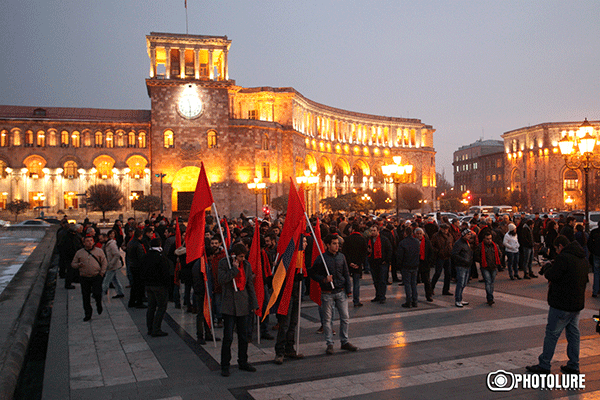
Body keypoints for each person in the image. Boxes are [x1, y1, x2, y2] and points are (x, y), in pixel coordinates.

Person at [526, 235, 589, 374]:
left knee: (552, 334)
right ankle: (574, 364)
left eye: (556, 249)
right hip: (577, 304)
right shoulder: (582, 258)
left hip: (561, 304)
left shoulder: (564, 258)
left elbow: (553, 275)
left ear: (560, 246)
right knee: (573, 334)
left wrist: (547, 268)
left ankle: (544, 364)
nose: (557, 251)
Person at [309, 234, 358, 355]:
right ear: (328, 245)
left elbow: (346, 273)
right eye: (334, 244)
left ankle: (344, 341)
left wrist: (348, 289)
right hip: (327, 293)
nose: (337, 246)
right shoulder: (322, 258)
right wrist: (324, 279)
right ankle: (329, 343)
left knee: (345, 317)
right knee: (327, 320)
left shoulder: (341, 257)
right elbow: (312, 273)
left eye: (338, 244)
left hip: (340, 291)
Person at [218, 243, 259, 377]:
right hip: (229, 305)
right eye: (240, 257)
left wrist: (254, 303)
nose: (242, 259)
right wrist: (233, 270)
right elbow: (221, 279)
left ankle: (243, 361)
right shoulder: (224, 263)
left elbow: (249, 285)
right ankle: (225, 364)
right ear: (234, 255)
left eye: (244, 256)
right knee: (228, 336)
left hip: (243, 304)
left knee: (243, 336)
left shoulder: (246, 265)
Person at [71, 235, 108, 321]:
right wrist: (78, 265)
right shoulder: (79, 253)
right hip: (84, 277)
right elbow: (73, 264)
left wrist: (102, 273)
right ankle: (88, 313)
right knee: (85, 296)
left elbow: (104, 262)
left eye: (91, 241)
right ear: (84, 243)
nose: (89, 242)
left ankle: (99, 304)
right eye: (87, 241)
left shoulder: (99, 251)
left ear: (93, 242)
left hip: (96, 276)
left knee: (97, 293)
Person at [141, 238, 171, 337]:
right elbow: (166, 272)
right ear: (160, 244)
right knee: (161, 307)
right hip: (159, 286)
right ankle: (156, 328)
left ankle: (150, 328)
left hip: (148, 285)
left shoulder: (146, 256)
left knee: (151, 307)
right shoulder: (161, 257)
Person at [341, 223, 368, 307]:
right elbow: (364, 253)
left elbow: (344, 252)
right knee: (356, 283)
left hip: (348, 264)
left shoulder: (348, 239)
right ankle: (356, 300)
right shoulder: (362, 239)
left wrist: (350, 262)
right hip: (358, 264)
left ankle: (343, 299)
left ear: (352, 230)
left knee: (345, 281)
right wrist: (359, 263)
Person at [366, 225, 392, 304]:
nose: (373, 232)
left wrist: (386, 260)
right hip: (373, 262)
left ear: (378, 231)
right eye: (372, 231)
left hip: (382, 263)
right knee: (376, 280)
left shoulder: (384, 240)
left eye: (374, 230)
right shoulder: (369, 240)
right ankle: (378, 295)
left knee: (382, 280)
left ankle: (382, 296)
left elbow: (389, 250)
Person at [474, 231, 500, 306]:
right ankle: (490, 298)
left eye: (490, 238)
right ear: (484, 239)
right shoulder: (480, 246)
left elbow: (499, 254)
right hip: (485, 267)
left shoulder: (495, 246)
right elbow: (476, 256)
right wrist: (482, 261)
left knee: (491, 282)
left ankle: (490, 295)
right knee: (488, 282)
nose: (489, 240)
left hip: (493, 267)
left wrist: (496, 261)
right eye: (487, 239)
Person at [397, 227, 420, 308]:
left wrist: (399, 265)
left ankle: (408, 301)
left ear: (405, 233)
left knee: (407, 284)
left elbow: (400, 256)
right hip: (415, 265)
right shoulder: (417, 242)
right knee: (413, 283)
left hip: (406, 266)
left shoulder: (402, 243)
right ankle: (415, 301)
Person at [452, 229, 474, 308]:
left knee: (464, 283)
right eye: (468, 234)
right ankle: (457, 299)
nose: (469, 236)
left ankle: (460, 298)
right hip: (461, 265)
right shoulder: (459, 243)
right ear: (464, 235)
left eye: (470, 234)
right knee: (460, 283)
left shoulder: (467, 243)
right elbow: (455, 254)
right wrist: (464, 260)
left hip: (467, 265)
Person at [430, 223, 454, 296]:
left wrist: (451, 251)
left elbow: (452, 244)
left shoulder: (450, 236)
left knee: (448, 274)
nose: (445, 230)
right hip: (440, 257)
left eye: (446, 229)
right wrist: (438, 251)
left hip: (448, 256)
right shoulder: (436, 236)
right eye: (444, 229)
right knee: (438, 273)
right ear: (441, 229)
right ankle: (431, 288)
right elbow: (431, 246)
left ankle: (446, 290)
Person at [127, 228, 147, 309]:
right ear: (140, 236)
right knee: (139, 285)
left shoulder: (131, 243)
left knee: (135, 285)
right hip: (138, 266)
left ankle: (132, 301)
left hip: (132, 265)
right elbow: (141, 257)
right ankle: (139, 301)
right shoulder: (138, 245)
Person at [102, 229, 125, 298]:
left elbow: (117, 254)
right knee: (114, 279)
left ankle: (102, 292)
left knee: (107, 279)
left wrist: (111, 264)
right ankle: (120, 292)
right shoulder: (106, 244)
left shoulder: (111, 244)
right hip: (110, 264)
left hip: (112, 265)